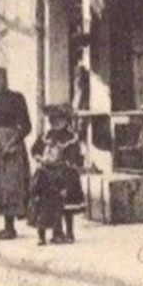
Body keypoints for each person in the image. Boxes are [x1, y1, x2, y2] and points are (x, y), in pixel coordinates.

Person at [0, 66, 33, 241]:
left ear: (5, 78)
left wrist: (14, 141)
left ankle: (11, 228)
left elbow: (26, 126)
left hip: (12, 145)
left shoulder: (17, 98)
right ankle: (5, 226)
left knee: (11, 184)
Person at [30, 103, 85, 247]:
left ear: (67, 120)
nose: (55, 122)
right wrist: (40, 158)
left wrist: (68, 162)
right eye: (53, 119)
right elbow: (36, 149)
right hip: (49, 174)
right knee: (49, 203)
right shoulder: (48, 135)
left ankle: (70, 232)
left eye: (59, 119)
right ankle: (55, 232)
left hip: (66, 174)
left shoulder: (71, 137)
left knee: (67, 205)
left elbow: (75, 156)